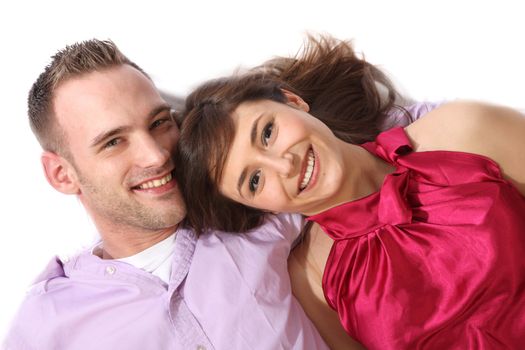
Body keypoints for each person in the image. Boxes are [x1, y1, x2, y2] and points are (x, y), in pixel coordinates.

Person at [175, 36, 525, 348]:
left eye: (267, 133)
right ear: (253, 206)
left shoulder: (461, 130)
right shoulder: (312, 282)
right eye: (254, 180)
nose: (284, 166)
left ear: (293, 101)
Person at [3, 39, 338, 350]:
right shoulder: (43, 326)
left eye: (159, 122)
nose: (156, 156)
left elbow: (358, 161)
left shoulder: (248, 201)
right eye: (113, 142)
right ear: (62, 175)